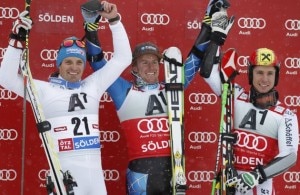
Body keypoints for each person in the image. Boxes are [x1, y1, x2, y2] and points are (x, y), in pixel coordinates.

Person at [85, 1, 233, 194]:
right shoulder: (123, 91)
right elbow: (97, 62)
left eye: (154, 62)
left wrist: (207, 22)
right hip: (140, 175)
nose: (151, 67)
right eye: (144, 62)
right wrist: (91, 26)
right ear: (134, 68)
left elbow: (195, 60)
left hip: (173, 170)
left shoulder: (172, 87)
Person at [0, 1, 131, 194]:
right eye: (68, 61)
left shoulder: (93, 85)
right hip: (65, 179)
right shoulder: (43, 90)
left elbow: (123, 58)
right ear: (59, 64)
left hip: (95, 181)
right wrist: (15, 41)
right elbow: (6, 78)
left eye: (79, 62)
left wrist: (114, 20)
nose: (74, 67)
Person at [202, 11, 299, 194]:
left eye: (270, 73)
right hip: (227, 186)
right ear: (250, 74)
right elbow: (208, 73)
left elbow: (289, 157)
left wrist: (256, 175)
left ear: (276, 77)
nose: (264, 79)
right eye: (259, 72)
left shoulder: (286, 116)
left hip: (260, 188)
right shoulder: (234, 95)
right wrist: (217, 38)